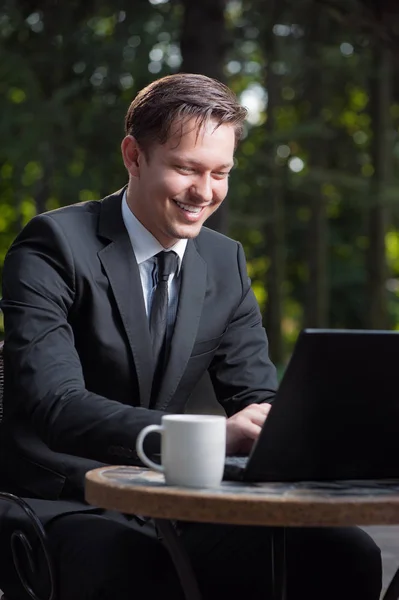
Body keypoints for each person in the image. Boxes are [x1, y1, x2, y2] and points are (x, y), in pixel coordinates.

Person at [0, 73, 381, 600]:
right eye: (186, 169)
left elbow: (257, 399)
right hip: (60, 500)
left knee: (344, 554)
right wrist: (208, 435)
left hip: (173, 502)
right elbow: (56, 405)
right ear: (133, 155)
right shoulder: (52, 246)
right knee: (135, 570)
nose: (205, 192)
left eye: (221, 173)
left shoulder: (226, 262)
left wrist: (288, 429)